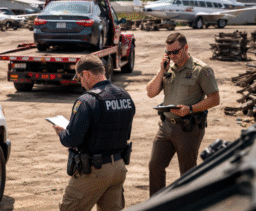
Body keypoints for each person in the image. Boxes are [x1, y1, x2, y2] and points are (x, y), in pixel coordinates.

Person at [53, 54, 135, 211]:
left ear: (87, 74)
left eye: (79, 79)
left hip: (94, 170)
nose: (81, 84)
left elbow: (72, 139)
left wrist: (61, 132)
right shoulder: (124, 96)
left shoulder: (87, 101)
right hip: (118, 167)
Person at [146, 32, 220, 196]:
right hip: (165, 127)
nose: (172, 56)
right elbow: (150, 93)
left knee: (187, 173)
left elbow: (215, 99)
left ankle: (190, 205)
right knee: (155, 166)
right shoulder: (168, 68)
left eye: (175, 52)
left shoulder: (201, 70)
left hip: (188, 128)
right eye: (168, 53)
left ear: (186, 48)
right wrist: (161, 70)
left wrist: (190, 108)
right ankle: (157, 206)